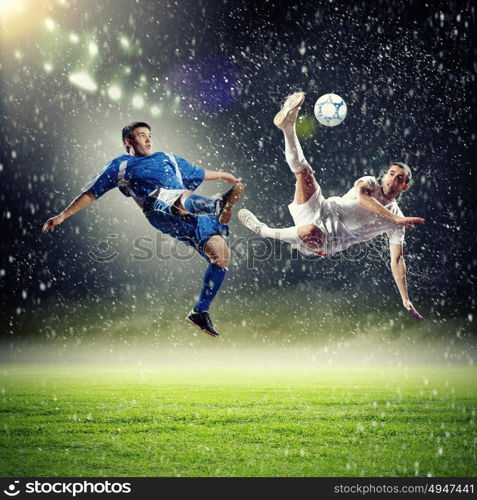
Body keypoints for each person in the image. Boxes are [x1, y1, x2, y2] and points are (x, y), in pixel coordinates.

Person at [42, 121, 244, 337]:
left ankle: (199, 312)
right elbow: (92, 192)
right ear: (129, 142)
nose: (148, 139)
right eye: (141, 135)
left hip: (189, 211)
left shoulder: (167, 158)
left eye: (149, 135)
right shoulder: (121, 165)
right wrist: (62, 215)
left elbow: (199, 172)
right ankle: (216, 205)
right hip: (157, 207)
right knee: (176, 195)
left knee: (220, 255)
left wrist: (223, 174)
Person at [238, 92, 425, 320]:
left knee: (310, 231)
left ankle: (262, 230)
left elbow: (397, 260)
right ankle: (288, 127)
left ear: (404, 186)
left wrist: (405, 297)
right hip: (323, 207)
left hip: (328, 240)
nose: (392, 179)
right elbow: (365, 200)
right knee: (304, 173)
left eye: (399, 178)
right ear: (385, 175)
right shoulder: (369, 183)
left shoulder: (398, 221)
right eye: (391, 173)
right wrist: (394, 218)